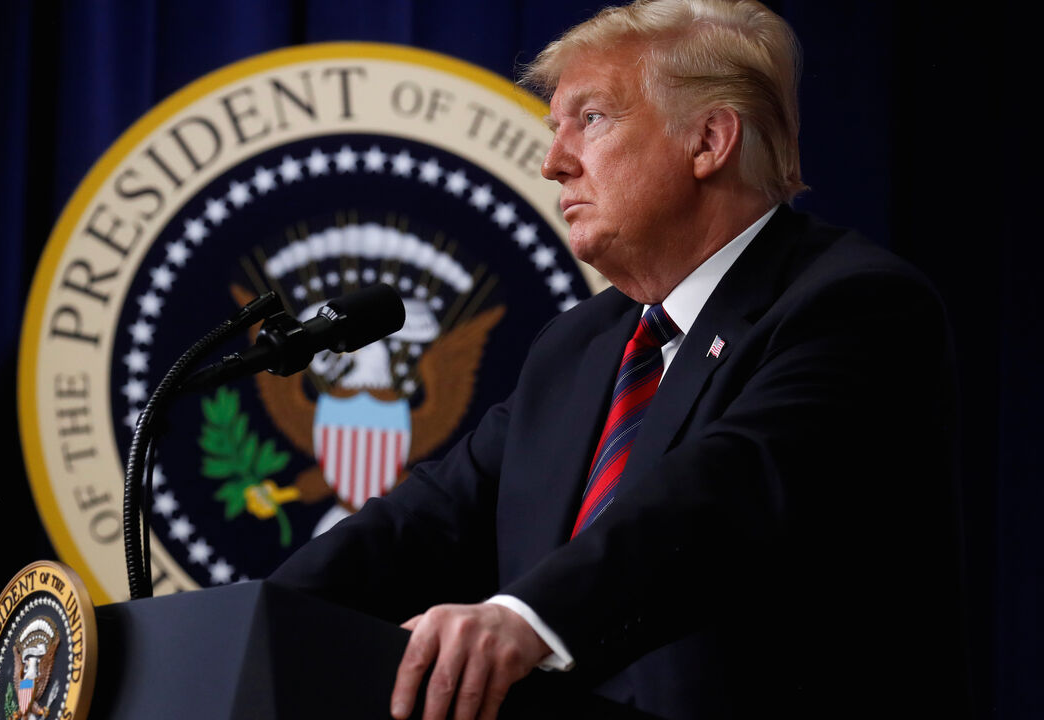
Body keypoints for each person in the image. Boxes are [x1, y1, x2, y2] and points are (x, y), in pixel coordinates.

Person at [269, 1, 969, 718]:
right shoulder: (579, 345)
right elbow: (430, 518)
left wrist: (525, 618)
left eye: (592, 119)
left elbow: (715, 498)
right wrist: (249, 619)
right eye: (555, 129)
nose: (553, 161)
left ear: (708, 139)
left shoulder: (855, 307)